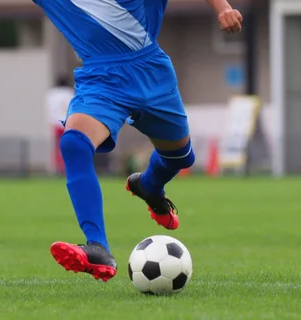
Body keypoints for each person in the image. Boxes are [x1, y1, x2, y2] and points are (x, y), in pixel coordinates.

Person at [34, 0, 243, 282]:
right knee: (74, 144)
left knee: (181, 158)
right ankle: (97, 247)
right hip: (101, 80)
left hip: (152, 73)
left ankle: (149, 185)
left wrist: (223, 8)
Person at [47, 76, 74, 175]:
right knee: (69, 145)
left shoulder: (51, 94)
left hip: (56, 123)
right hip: (68, 123)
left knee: (57, 147)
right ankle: (68, 166)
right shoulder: (70, 93)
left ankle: (57, 167)